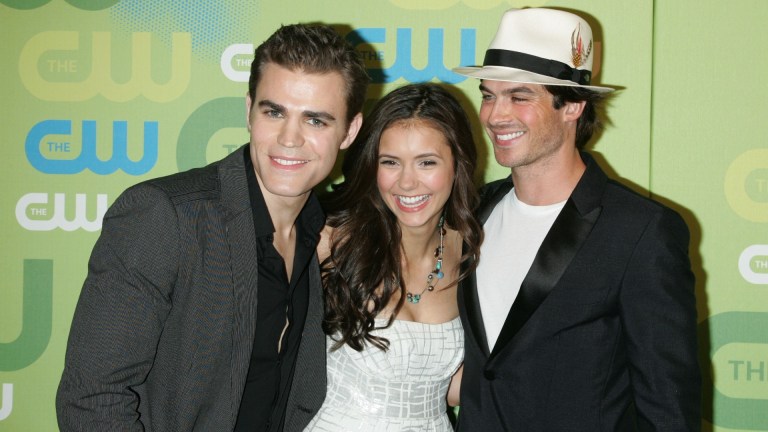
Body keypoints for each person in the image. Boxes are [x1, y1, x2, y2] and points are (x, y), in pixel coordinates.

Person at [56, 23, 369, 432]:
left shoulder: (319, 233)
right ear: (248, 110)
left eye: (316, 121)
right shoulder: (165, 216)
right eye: (274, 112)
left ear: (350, 131)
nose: (289, 139)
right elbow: (91, 400)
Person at [451, 7, 701, 431]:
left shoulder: (641, 231)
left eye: (520, 96)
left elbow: (668, 408)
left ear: (573, 106)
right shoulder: (471, 210)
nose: (494, 115)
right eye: (489, 94)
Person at [302, 83, 482, 431]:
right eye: (391, 163)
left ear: (458, 165)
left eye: (427, 162)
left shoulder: (473, 249)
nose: (407, 182)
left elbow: (452, 387)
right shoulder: (329, 242)